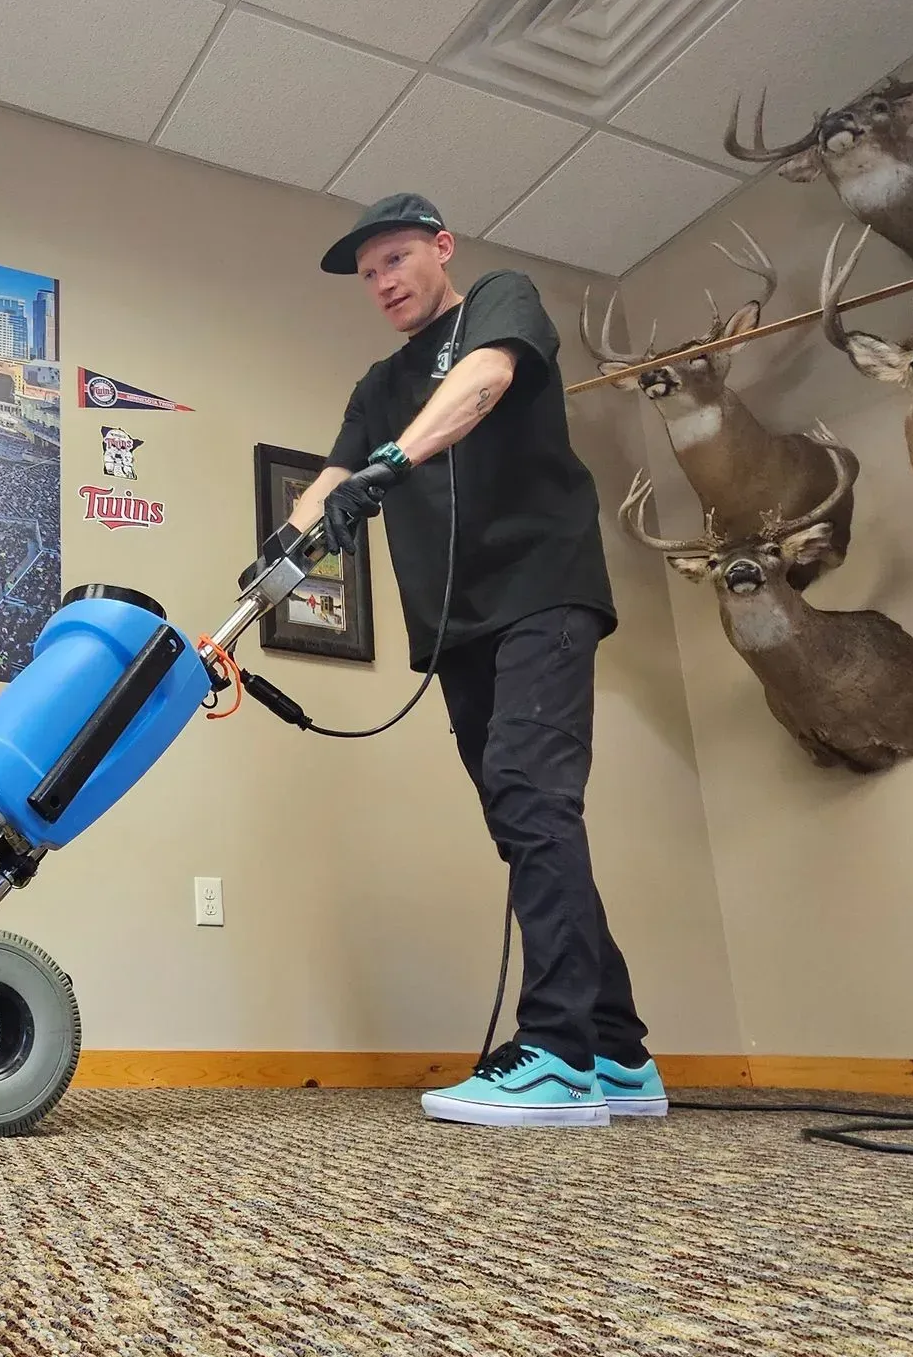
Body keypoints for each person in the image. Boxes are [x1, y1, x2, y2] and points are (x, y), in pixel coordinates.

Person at [257, 191, 663, 1130]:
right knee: (521, 819)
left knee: (532, 796)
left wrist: (391, 467)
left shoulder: (498, 304)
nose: (382, 284)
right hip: (457, 628)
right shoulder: (376, 384)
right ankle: (618, 1048)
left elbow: (481, 386)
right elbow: (329, 479)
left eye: (395, 260)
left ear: (442, 249)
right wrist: (283, 549)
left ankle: (558, 1053)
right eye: (368, 276)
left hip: (542, 592)